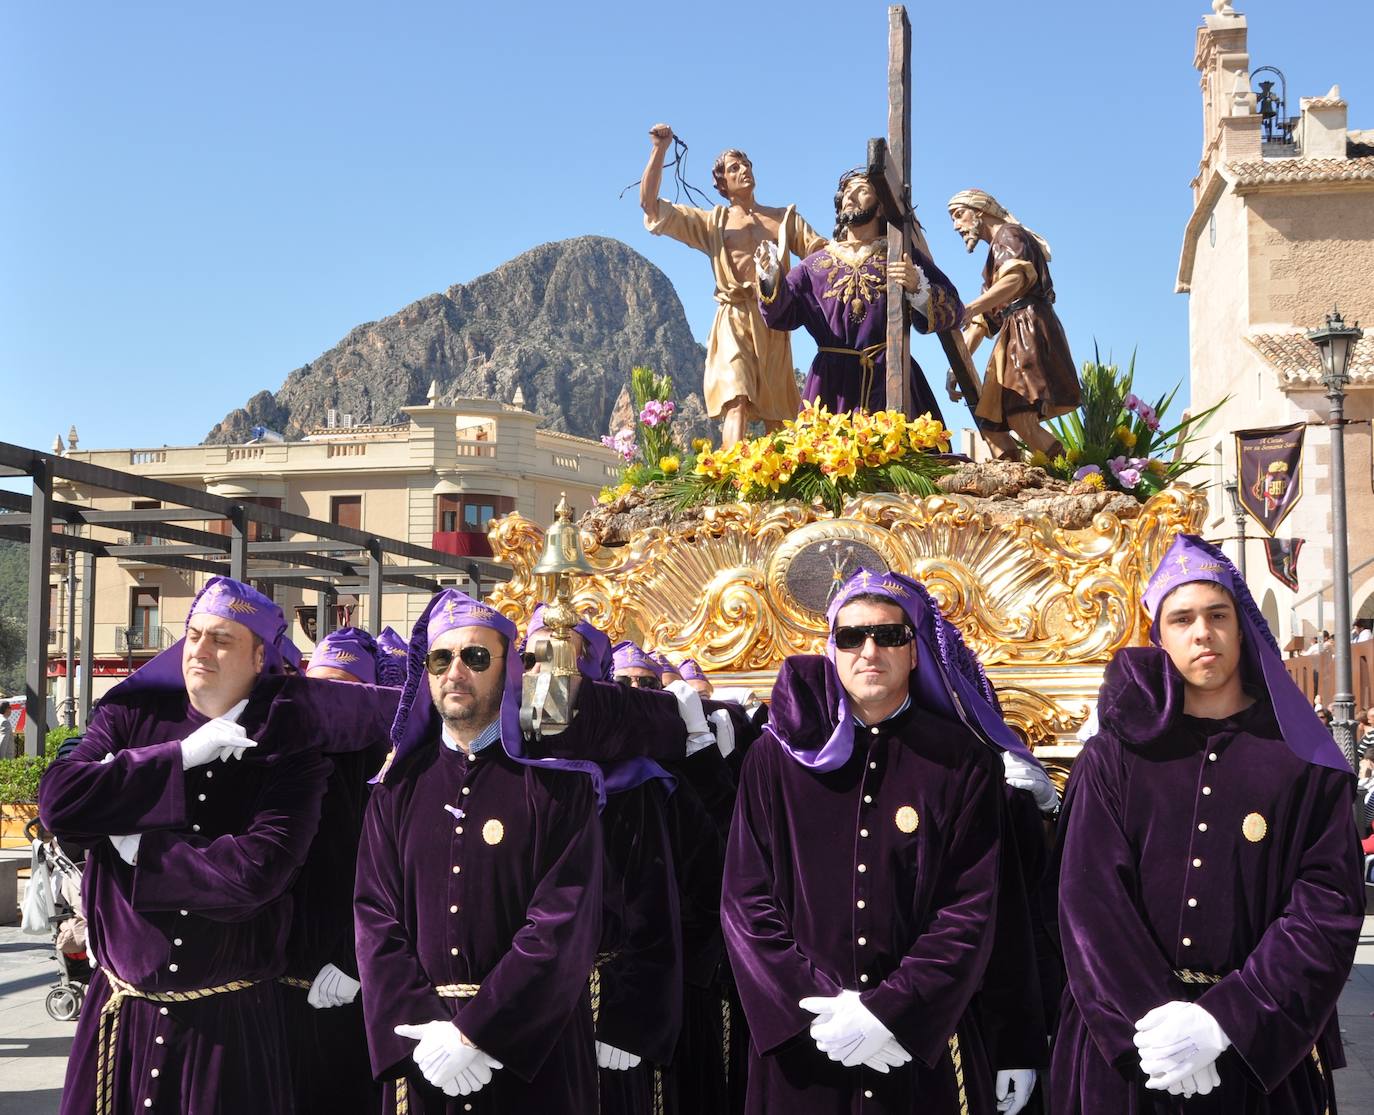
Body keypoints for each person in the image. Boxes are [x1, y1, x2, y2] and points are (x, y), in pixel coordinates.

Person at [1052, 534, 1364, 1111]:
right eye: (1182, 619)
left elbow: (1326, 906)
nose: (1202, 633)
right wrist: (1153, 1027)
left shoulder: (1302, 759)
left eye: (1217, 615)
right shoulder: (1114, 757)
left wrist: (1227, 1021)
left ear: (1241, 627)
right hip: (1129, 1051)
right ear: (1160, 637)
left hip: (1256, 1049)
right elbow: (1089, 903)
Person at [722, 568, 1023, 1113]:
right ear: (830, 649)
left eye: (889, 636)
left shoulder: (962, 762)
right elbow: (747, 901)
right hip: (806, 1044)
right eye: (851, 636)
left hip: (918, 1044)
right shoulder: (775, 758)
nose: (869, 650)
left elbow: (970, 910)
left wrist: (891, 1011)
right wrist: (812, 1009)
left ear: (914, 652)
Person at [38, 576, 333, 1115]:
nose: (200, 650)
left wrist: (136, 848)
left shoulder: (291, 752)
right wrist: (177, 758)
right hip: (119, 1020)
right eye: (194, 634)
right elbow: (60, 803)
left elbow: (254, 875)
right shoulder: (129, 716)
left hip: (230, 1030)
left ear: (259, 655)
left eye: (222, 639)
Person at [355, 589, 616, 1113]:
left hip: (529, 1053)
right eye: (440, 658)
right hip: (425, 1052)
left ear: (507, 670)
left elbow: (561, 926)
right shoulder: (396, 787)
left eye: (475, 657)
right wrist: (426, 1033)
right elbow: (375, 918)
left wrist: (476, 1033)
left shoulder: (557, 785)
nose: (455, 672)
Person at [640, 123, 826, 447]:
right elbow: (650, 206)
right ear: (722, 182)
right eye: (734, 167)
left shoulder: (783, 219)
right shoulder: (713, 223)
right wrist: (659, 149)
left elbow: (821, 252)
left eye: (747, 164)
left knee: (778, 413)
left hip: (773, 320)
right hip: (733, 317)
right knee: (735, 397)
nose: (744, 170)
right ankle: (729, 478)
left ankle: (783, 481)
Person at [279, 627, 396, 1115]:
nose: (329, 698)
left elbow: (398, 879)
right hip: (274, 980)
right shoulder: (281, 753)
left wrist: (356, 959)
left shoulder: (391, 772)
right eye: (319, 683)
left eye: (345, 686)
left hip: (349, 988)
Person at [756, 168, 962, 420]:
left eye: (862, 191)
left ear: (880, 207)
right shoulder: (814, 266)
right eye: (846, 193)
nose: (850, 197)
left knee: (901, 455)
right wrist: (770, 277)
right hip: (831, 389)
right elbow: (781, 314)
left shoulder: (900, 256)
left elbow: (953, 306)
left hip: (890, 377)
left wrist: (917, 287)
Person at [946, 189, 1080, 460]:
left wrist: (970, 306)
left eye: (959, 215)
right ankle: (1015, 481)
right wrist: (957, 366)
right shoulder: (994, 256)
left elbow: (1015, 281)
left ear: (980, 211)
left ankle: (1075, 477)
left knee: (1021, 419)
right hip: (1013, 333)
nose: (955, 226)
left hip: (1028, 328)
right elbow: (984, 321)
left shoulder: (1009, 235)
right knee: (991, 427)